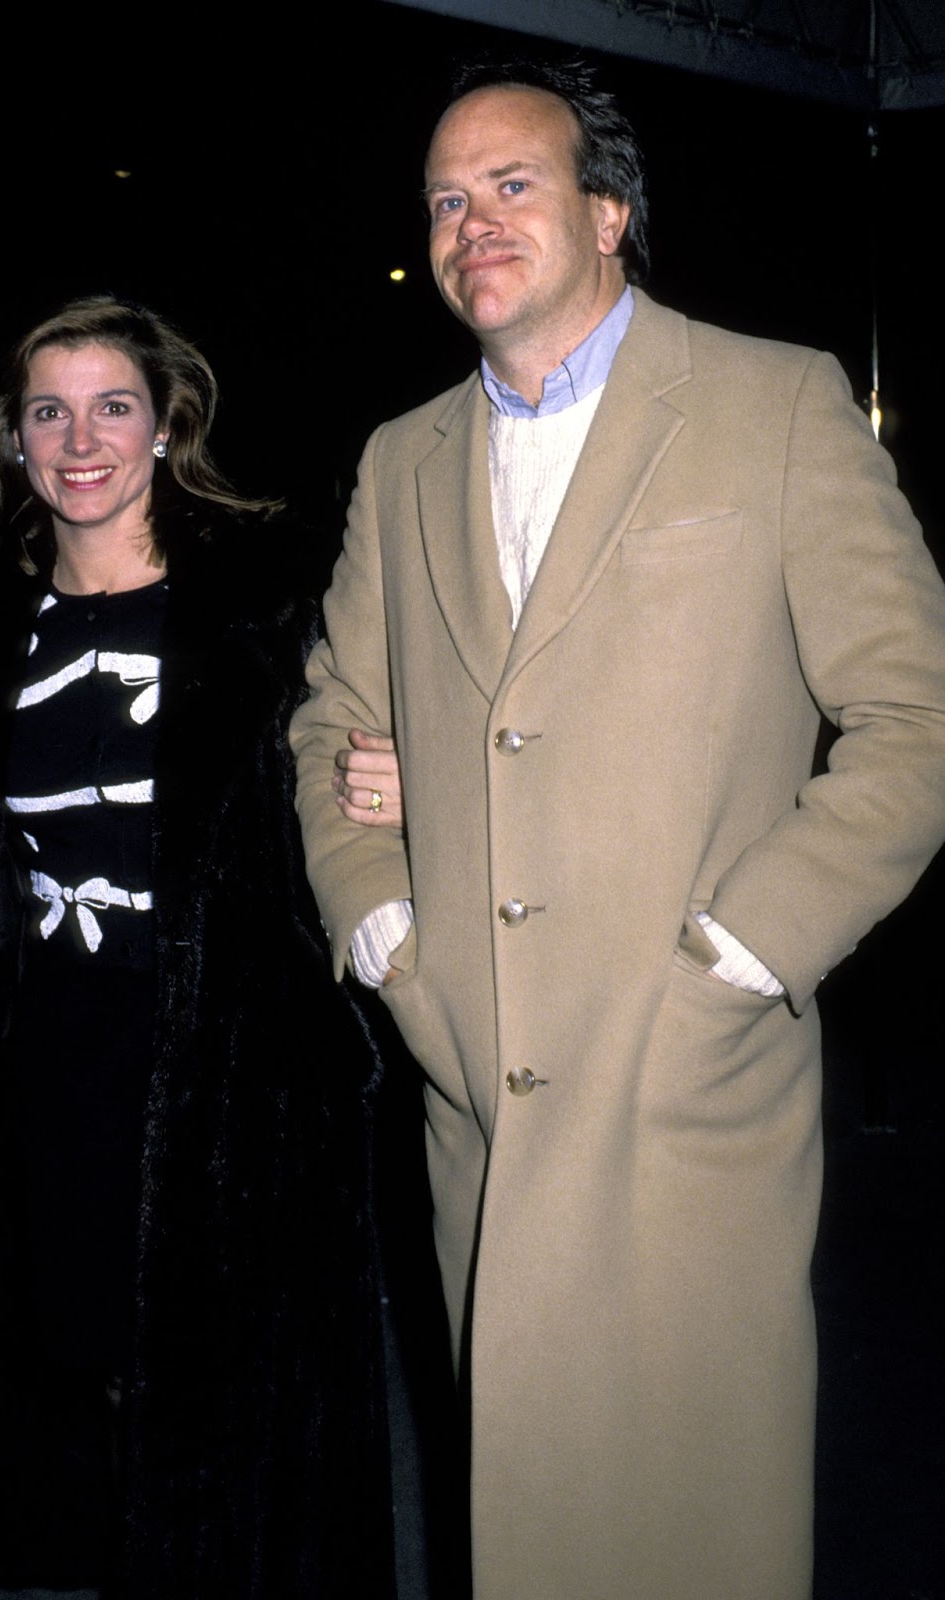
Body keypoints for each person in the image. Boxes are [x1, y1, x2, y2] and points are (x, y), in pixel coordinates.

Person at [290, 59, 945, 1600]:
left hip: (683, 1094)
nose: (470, 223)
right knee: (519, 1533)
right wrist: (384, 923)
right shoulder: (401, 461)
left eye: (510, 184)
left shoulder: (770, 403)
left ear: (607, 211)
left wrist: (741, 955)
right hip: (481, 1095)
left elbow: (917, 722)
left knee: (687, 1536)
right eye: (444, 199)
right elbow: (329, 723)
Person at [0, 297, 395, 1598]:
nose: (80, 437)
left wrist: (396, 776)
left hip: (229, 1077)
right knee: (52, 1378)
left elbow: (367, 755)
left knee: (222, 1413)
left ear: (166, 428)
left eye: (112, 406)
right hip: (24, 1058)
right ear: (14, 440)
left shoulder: (271, 613)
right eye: (49, 410)